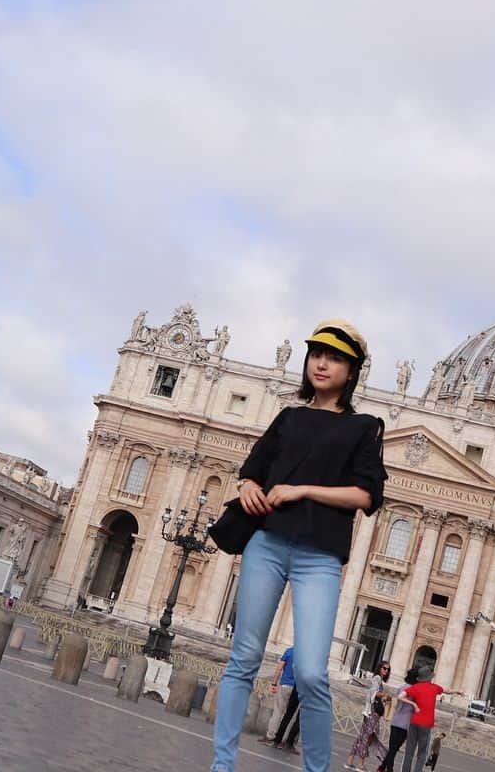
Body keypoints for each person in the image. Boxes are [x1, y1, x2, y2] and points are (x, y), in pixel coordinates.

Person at [210, 319, 387, 772]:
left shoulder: (365, 428)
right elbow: (254, 468)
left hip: (319, 558)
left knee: (311, 672)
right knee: (244, 658)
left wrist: (302, 490)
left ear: (352, 372)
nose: (322, 363)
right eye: (316, 355)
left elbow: (367, 496)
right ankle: (221, 765)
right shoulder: (288, 416)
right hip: (267, 544)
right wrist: (249, 485)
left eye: (335, 358)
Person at [398, 672, 464, 772]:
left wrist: (414, 705)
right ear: (429, 678)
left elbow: (400, 696)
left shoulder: (415, 687)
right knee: (422, 753)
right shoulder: (434, 687)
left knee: (409, 751)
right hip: (426, 724)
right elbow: (447, 690)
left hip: (414, 721)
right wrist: (458, 691)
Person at [378, 668, 418, 772]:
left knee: (393, 749)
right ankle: (389, 769)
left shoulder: (402, 686)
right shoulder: (414, 690)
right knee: (393, 749)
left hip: (396, 720)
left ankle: (382, 767)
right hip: (405, 724)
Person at [262, 647, 296, 744]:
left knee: (277, 712)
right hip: (297, 689)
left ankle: (270, 736)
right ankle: (284, 739)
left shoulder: (289, 651)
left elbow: (279, 668)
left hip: (285, 685)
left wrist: (274, 683)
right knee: (290, 715)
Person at [346, 695, 387, 770]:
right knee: (365, 742)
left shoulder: (375, 701)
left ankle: (350, 761)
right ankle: (360, 764)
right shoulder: (376, 691)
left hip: (368, 721)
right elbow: (375, 692)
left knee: (360, 741)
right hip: (372, 723)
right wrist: (385, 695)